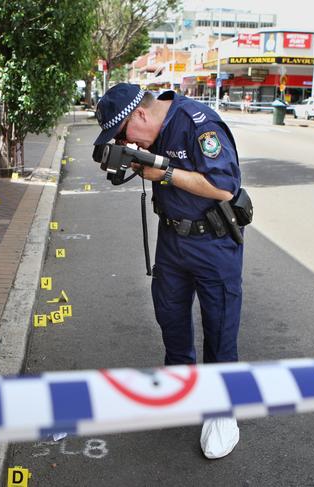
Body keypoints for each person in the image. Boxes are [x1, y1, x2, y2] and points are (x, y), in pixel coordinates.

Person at [93, 83, 244, 459]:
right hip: (173, 239)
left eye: (126, 135)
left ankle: (222, 410)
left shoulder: (198, 123)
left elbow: (224, 187)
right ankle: (180, 385)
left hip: (213, 242)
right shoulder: (151, 134)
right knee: (170, 314)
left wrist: (165, 174)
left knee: (219, 325)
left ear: (141, 114)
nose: (130, 144)